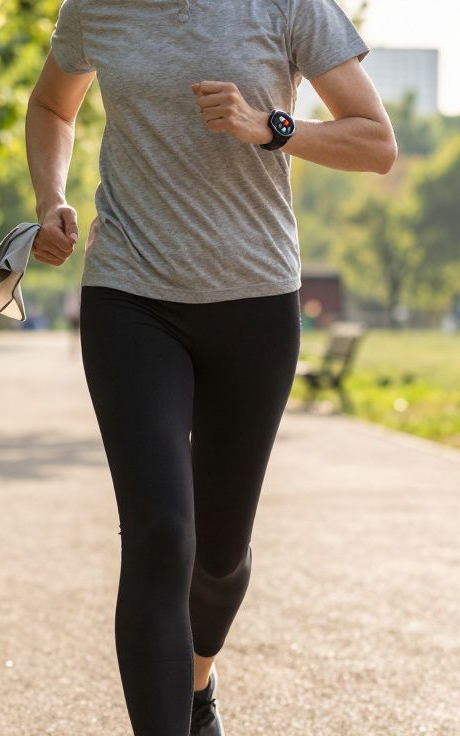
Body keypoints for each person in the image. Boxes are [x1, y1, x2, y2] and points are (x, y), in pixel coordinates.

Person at [26, 1, 395, 733]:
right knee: (162, 535)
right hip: (130, 294)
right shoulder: (97, 8)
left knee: (219, 555)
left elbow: (376, 144)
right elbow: (50, 104)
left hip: (254, 303)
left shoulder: (288, 6)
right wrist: (50, 199)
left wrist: (272, 128)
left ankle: (198, 685)